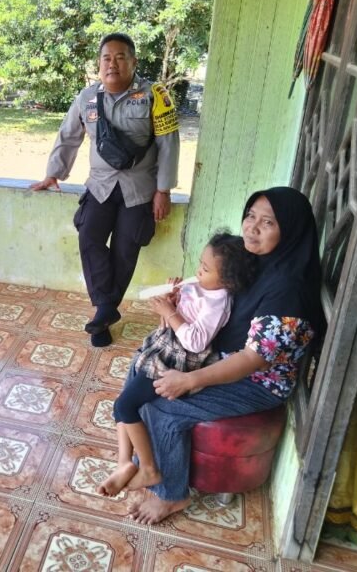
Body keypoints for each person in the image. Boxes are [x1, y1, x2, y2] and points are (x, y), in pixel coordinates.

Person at [125, 187, 326, 524]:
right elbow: (216, 303)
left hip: (258, 382)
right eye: (250, 216)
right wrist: (180, 304)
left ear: (289, 231)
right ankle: (149, 463)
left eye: (267, 223)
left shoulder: (288, 289)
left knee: (166, 406)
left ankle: (172, 495)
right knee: (146, 369)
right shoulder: (258, 263)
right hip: (223, 357)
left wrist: (189, 380)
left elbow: (252, 360)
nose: (252, 228)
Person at [30, 32, 180, 348]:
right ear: (99, 64)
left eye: (120, 57)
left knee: (126, 251)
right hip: (99, 187)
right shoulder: (86, 98)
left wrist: (163, 190)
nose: (113, 63)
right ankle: (107, 307)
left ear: (134, 62)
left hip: (139, 190)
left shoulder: (156, 95)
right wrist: (53, 174)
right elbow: (68, 136)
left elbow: (169, 144)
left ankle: (102, 317)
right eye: (106, 58)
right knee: (89, 237)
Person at [97, 232, 258, 497]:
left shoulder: (218, 303)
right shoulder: (200, 286)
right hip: (165, 346)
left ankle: (148, 468)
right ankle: (124, 463)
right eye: (199, 264)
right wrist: (174, 299)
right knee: (125, 399)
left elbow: (195, 341)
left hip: (179, 360)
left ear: (228, 280)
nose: (198, 271)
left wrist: (170, 313)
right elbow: (179, 318)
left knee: (125, 405)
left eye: (205, 269)